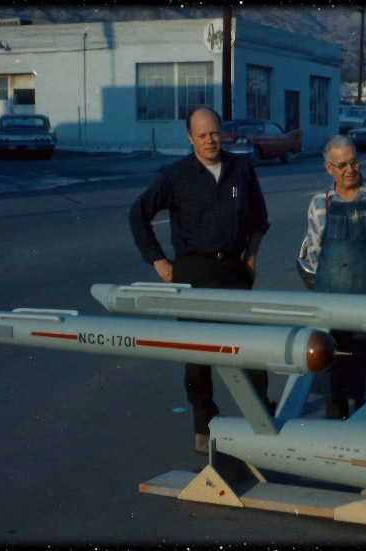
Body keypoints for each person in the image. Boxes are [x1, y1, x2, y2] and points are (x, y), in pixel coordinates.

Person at [129, 106, 270, 454]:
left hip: (234, 272)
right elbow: (138, 214)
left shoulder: (241, 170)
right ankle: (204, 422)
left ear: (223, 132)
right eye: (202, 135)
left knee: (252, 349)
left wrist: (250, 259)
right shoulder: (176, 177)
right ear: (190, 138)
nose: (210, 141)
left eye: (215, 133)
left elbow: (258, 220)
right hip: (193, 273)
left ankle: (262, 423)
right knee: (198, 353)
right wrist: (159, 262)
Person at [303, 135, 366, 419]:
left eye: (355, 161)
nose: (351, 169)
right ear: (329, 168)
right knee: (333, 385)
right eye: (343, 164)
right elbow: (314, 254)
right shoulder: (318, 204)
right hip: (331, 314)